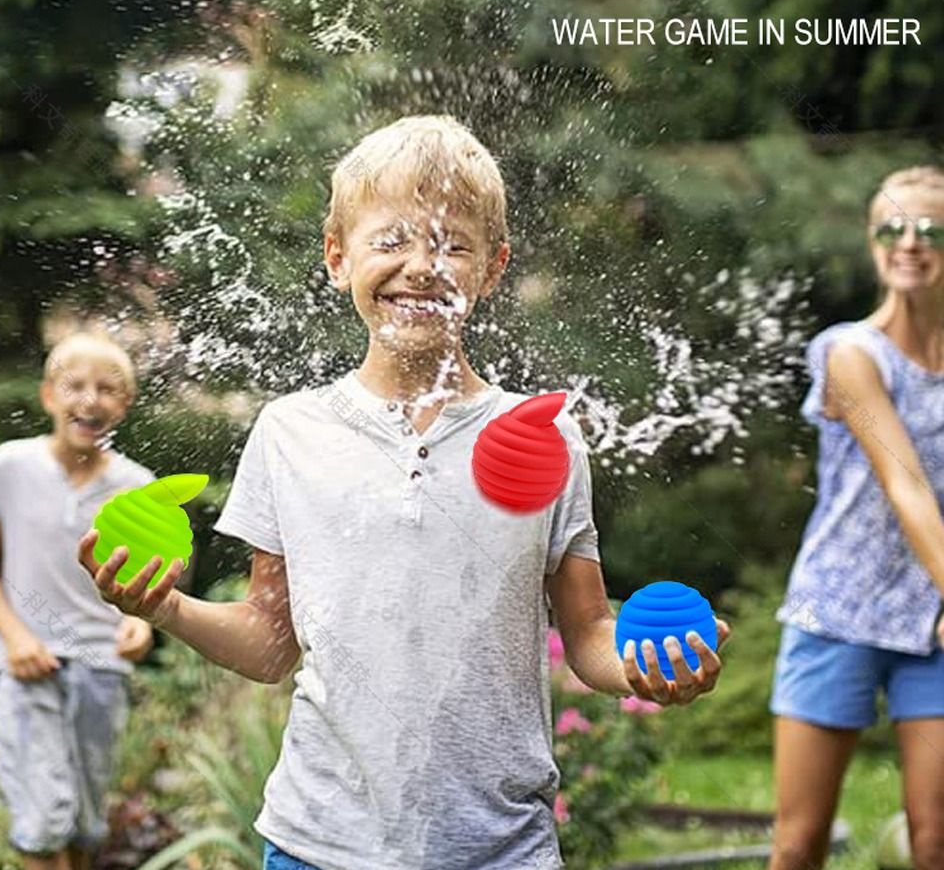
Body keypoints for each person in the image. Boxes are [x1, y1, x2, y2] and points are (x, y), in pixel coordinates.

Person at [77, 114, 731, 870]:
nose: (423, 266)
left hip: (499, 847)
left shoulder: (543, 434)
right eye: (390, 240)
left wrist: (647, 670)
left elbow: (587, 634)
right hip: (319, 843)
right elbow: (268, 643)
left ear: (493, 268)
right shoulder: (291, 431)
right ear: (336, 255)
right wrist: (163, 607)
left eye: (454, 244)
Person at [768, 166, 944, 870]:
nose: (910, 243)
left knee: (936, 841)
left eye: (930, 229)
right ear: (872, 243)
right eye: (891, 229)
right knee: (799, 842)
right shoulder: (849, 354)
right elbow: (906, 487)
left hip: (930, 623)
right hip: (837, 611)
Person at [0, 331, 156, 870]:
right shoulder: (11, 464)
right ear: (49, 395)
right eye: (74, 386)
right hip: (26, 664)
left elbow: (143, 589)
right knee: (43, 823)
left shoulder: (138, 487)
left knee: (83, 827)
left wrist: (141, 626)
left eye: (107, 389)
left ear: (125, 405)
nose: (89, 400)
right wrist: (15, 635)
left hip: (101, 667)